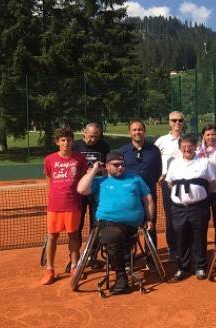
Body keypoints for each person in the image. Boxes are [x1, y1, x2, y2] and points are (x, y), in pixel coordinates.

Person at [77, 151, 155, 294]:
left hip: (131, 226)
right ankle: (121, 276)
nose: (120, 167)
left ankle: (122, 262)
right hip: (108, 223)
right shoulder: (100, 181)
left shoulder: (135, 179)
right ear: (107, 166)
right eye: (116, 165)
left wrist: (149, 218)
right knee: (113, 235)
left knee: (116, 236)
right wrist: (94, 170)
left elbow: (148, 199)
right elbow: (81, 189)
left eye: (122, 165)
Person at [41, 127, 88, 285]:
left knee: (73, 235)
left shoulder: (80, 159)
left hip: (73, 204)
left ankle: (75, 266)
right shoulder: (49, 160)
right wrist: (52, 197)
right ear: (57, 142)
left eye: (68, 140)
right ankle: (50, 269)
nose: (66, 143)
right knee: (52, 237)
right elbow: (49, 179)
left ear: (72, 141)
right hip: (54, 205)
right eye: (63, 140)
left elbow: (82, 179)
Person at [164, 135, 213, 280]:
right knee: (181, 237)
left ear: (195, 147)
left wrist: (196, 194)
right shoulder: (174, 163)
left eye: (190, 145)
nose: (187, 148)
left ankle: (200, 267)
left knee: (199, 236)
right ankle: (183, 268)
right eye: (184, 146)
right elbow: (170, 183)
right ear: (180, 148)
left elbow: (212, 183)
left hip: (198, 207)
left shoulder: (204, 162)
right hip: (178, 208)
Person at [119, 119, 162, 262]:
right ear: (130, 132)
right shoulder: (123, 152)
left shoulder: (154, 150)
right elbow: (119, 172)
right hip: (130, 197)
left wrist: (146, 187)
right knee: (128, 227)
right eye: (134, 130)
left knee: (150, 225)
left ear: (144, 131)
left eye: (140, 129)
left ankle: (151, 256)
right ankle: (128, 257)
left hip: (149, 195)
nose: (137, 132)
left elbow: (158, 171)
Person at [72, 121, 110, 265]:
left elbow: (107, 166)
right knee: (77, 225)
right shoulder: (75, 146)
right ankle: (75, 258)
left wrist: (100, 170)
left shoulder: (104, 147)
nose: (93, 139)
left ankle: (90, 256)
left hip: (97, 191)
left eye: (96, 137)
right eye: (91, 136)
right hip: (80, 191)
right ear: (84, 132)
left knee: (96, 224)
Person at [154, 111, 185, 261]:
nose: (177, 123)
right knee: (171, 217)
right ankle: (172, 248)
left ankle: (185, 246)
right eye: (174, 120)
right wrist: (159, 175)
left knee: (187, 216)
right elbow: (152, 159)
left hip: (187, 184)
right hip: (168, 184)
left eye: (180, 120)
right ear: (169, 122)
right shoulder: (161, 141)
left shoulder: (189, 140)